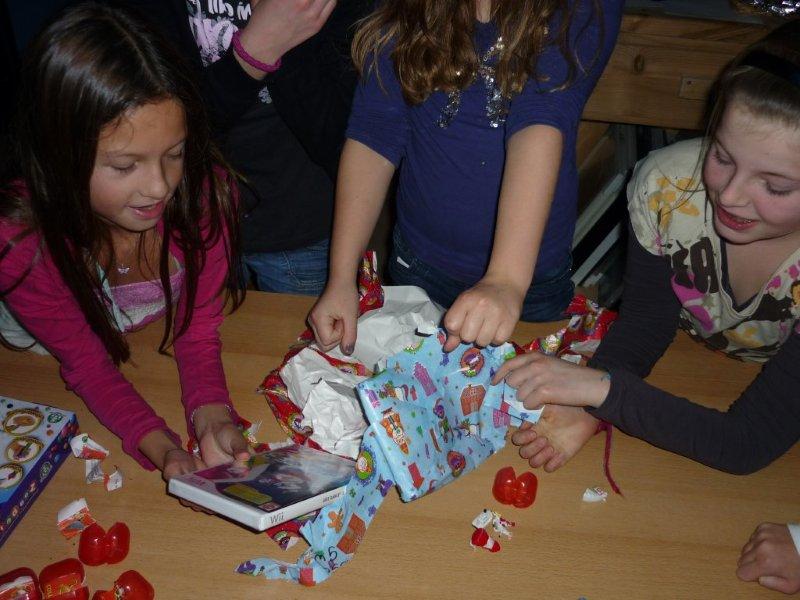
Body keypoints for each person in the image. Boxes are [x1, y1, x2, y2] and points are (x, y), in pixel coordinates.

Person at [494, 20, 800, 594]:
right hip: (701, 361)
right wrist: (602, 401)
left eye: (776, 187)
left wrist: (601, 392)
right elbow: (648, 321)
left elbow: (746, 443)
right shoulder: (666, 187)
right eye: (722, 156)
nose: (730, 196)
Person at [0, 3, 249, 489]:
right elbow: (87, 364)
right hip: (36, 346)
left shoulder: (205, 199)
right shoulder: (20, 242)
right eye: (123, 166)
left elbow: (195, 331)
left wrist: (211, 418)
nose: (159, 187)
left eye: (174, 154)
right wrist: (161, 447)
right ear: (58, 158)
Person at [308, 0, 623, 355]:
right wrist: (340, 278)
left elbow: (540, 119)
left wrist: (505, 280)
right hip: (419, 265)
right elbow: (374, 133)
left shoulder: (584, 8)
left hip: (530, 280)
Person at [122, 0, 372, 294]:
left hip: (302, 222)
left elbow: (346, 139)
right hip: (190, 214)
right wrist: (255, 52)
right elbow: (157, 131)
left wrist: (287, 38)